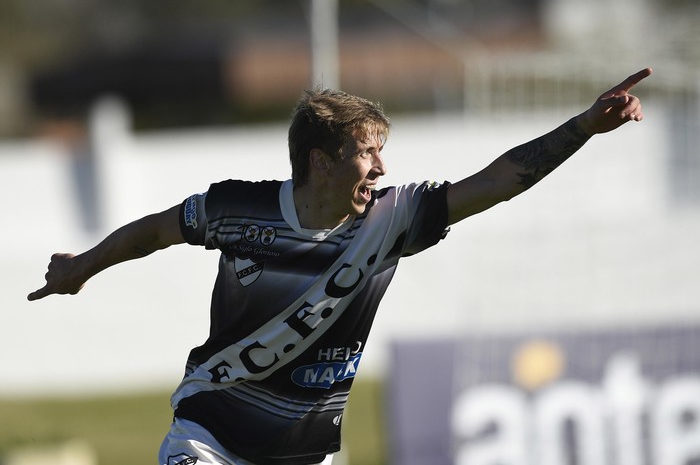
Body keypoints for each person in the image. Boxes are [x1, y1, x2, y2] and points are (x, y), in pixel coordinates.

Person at [28, 67, 652, 465]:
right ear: (321, 161)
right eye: (367, 155)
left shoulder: (393, 220)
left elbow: (498, 182)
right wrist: (82, 267)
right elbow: (158, 230)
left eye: (383, 154)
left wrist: (584, 128)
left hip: (308, 453)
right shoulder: (236, 207)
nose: (381, 170)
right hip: (209, 437)